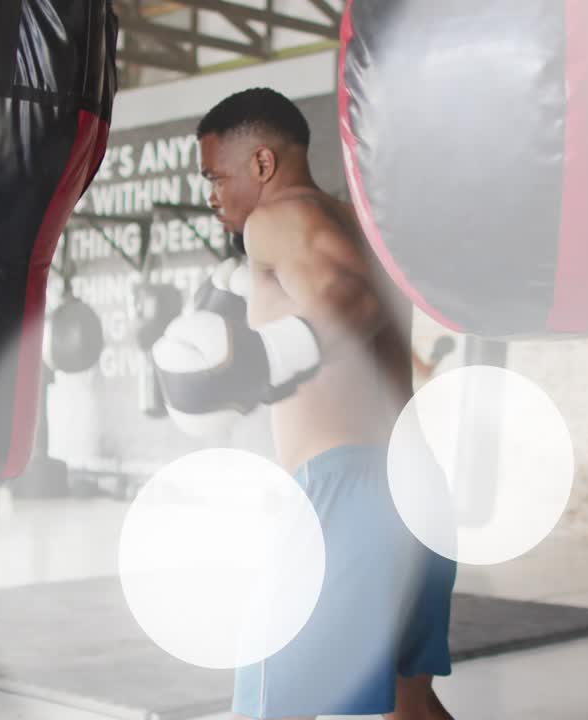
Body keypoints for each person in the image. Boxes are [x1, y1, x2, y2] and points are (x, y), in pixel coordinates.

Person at [152, 87, 457, 719]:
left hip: (344, 491)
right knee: (411, 705)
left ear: (262, 163)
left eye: (216, 176)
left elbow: (353, 298)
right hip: (418, 484)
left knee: (269, 708)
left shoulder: (276, 217)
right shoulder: (357, 225)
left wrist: (266, 362)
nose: (211, 195)